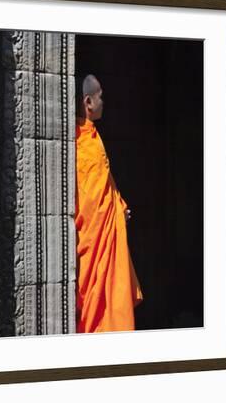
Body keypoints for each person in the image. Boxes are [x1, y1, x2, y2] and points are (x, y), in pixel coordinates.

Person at [75, 74, 143, 332]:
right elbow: (90, 205)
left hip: (106, 244)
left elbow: (104, 187)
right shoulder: (82, 143)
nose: (105, 101)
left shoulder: (91, 138)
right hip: (94, 248)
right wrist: (114, 212)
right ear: (89, 102)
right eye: (101, 96)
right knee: (100, 313)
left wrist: (118, 207)